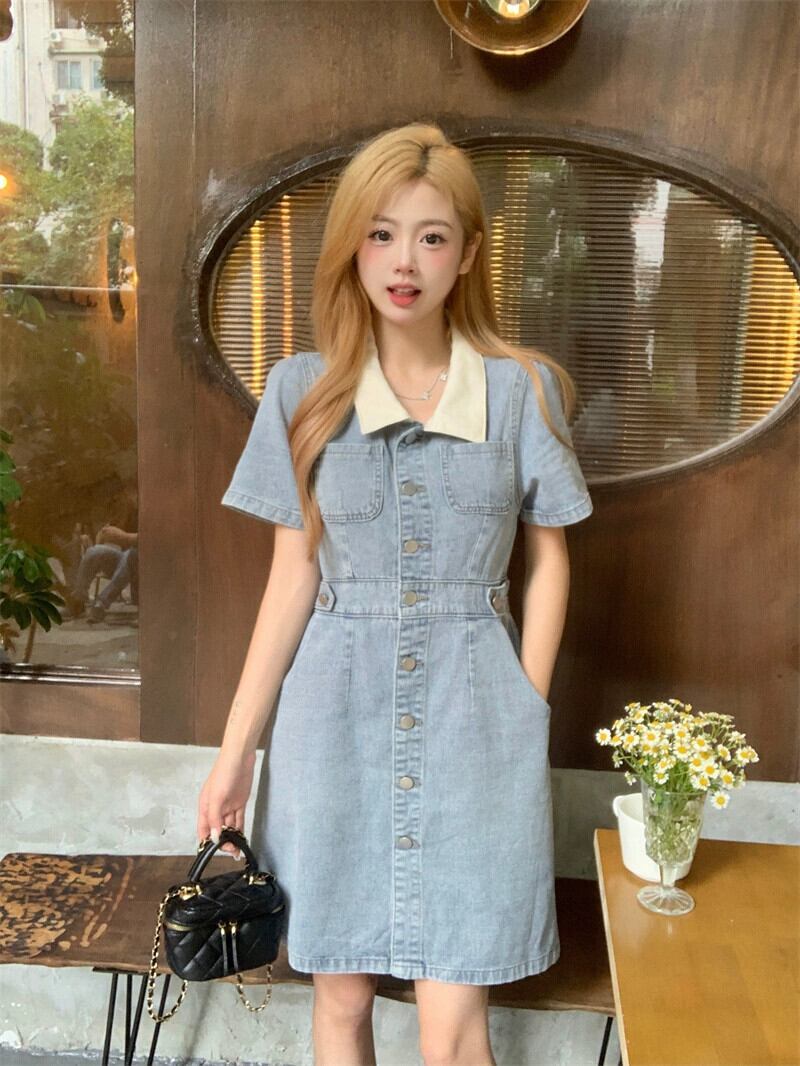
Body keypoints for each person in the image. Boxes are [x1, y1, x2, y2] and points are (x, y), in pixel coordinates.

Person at [197, 123, 593, 1066]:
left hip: (475, 723)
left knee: (454, 1026)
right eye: (380, 234)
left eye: (430, 236)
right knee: (340, 1003)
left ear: (468, 254)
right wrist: (234, 754)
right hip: (331, 723)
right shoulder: (302, 390)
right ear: (352, 247)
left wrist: (524, 703)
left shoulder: (522, 391)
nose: (403, 261)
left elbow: (550, 562)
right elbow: (292, 577)